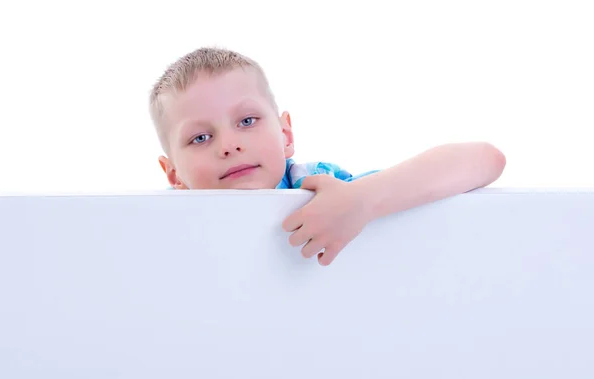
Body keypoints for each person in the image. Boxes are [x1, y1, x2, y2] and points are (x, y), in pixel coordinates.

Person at [149, 47, 506, 266]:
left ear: (285, 135)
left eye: (246, 120)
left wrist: (363, 200)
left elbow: (486, 160)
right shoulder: (154, 221)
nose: (228, 145)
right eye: (200, 137)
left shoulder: (322, 189)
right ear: (174, 175)